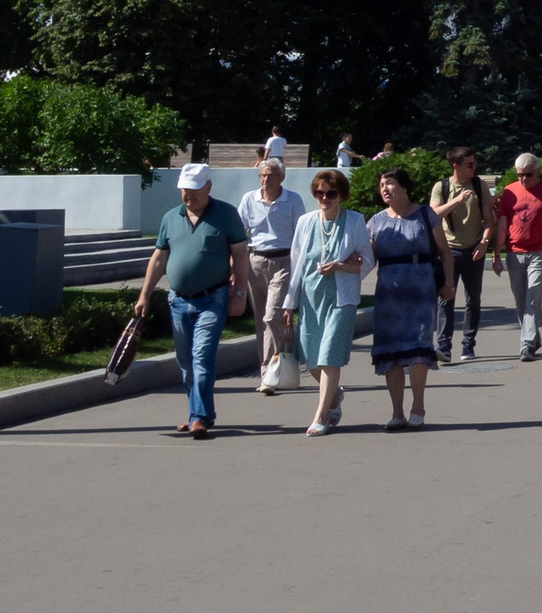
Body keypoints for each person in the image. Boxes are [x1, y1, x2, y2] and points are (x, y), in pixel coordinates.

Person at [133, 162, 252, 438]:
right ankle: (202, 412)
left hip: (214, 298)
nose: (189, 196)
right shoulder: (171, 218)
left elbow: (241, 255)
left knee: (202, 356)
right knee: (185, 361)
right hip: (178, 301)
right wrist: (145, 295)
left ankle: (197, 417)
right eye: (184, 190)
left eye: (195, 190)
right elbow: (159, 258)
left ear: (208, 187)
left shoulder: (226, 214)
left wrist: (241, 293)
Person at [284, 169, 372, 436]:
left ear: (341, 195)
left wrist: (342, 266)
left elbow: (368, 260)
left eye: (330, 193)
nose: (324, 197)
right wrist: (289, 302)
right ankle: (335, 396)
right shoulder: (305, 222)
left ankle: (321, 416)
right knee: (312, 360)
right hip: (310, 298)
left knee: (329, 355)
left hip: (341, 299)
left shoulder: (355, 221)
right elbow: (296, 263)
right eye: (319, 193)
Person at [365, 168, 452, 431]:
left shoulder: (426, 215)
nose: (385, 188)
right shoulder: (376, 221)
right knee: (390, 352)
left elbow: (445, 252)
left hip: (420, 291)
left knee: (417, 348)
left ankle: (418, 406)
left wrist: (448, 284)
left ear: (404, 188)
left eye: (389, 183)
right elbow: (367, 259)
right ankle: (396, 412)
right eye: (382, 184)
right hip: (388, 295)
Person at [238, 157, 305, 396]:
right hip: (255, 262)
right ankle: (270, 368)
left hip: (284, 261)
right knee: (261, 321)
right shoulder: (249, 199)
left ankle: (269, 373)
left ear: (281, 178)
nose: (265, 179)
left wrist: (300, 268)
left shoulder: (293, 200)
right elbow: (239, 233)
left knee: (271, 316)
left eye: (270, 175)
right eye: (262, 175)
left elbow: (301, 236)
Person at [494, 153, 542, 364]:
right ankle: (533, 338)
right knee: (520, 301)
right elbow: (503, 225)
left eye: (528, 174)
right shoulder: (509, 191)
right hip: (515, 252)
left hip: (539, 251)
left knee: (533, 297)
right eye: (520, 175)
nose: (524, 179)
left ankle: (526, 344)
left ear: (538, 172)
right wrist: (496, 254)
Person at [430, 147, 495, 362]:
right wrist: (457, 200)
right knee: (446, 297)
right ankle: (444, 346)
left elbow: (489, 219)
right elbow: (434, 215)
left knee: (473, 300)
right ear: (455, 166)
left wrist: (485, 242)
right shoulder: (442, 186)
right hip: (449, 251)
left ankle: (468, 344)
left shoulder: (479, 185)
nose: (474, 167)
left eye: (474, 163)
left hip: (475, 249)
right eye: (469, 165)